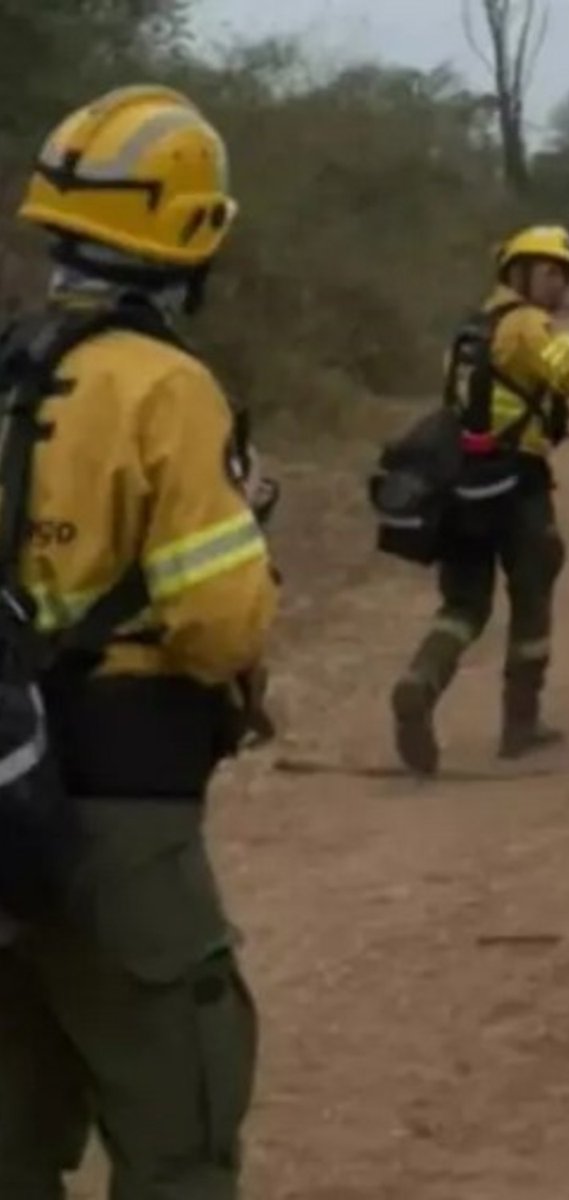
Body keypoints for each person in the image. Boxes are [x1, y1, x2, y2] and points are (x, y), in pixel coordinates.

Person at [0, 85, 279, 1199]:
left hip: (5, 801)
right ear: (191, 235)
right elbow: (218, 628)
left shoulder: (12, 368)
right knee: (180, 1127)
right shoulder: (167, 387)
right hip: (122, 809)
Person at [391, 224, 569, 776]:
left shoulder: (470, 328)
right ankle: (520, 725)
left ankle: (420, 681)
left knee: (465, 605)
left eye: (563, 276)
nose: (558, 286)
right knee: (533, 594)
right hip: (518, 484)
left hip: (462, 484)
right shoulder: (526, 326)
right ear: (517, 274)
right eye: (548, 273)